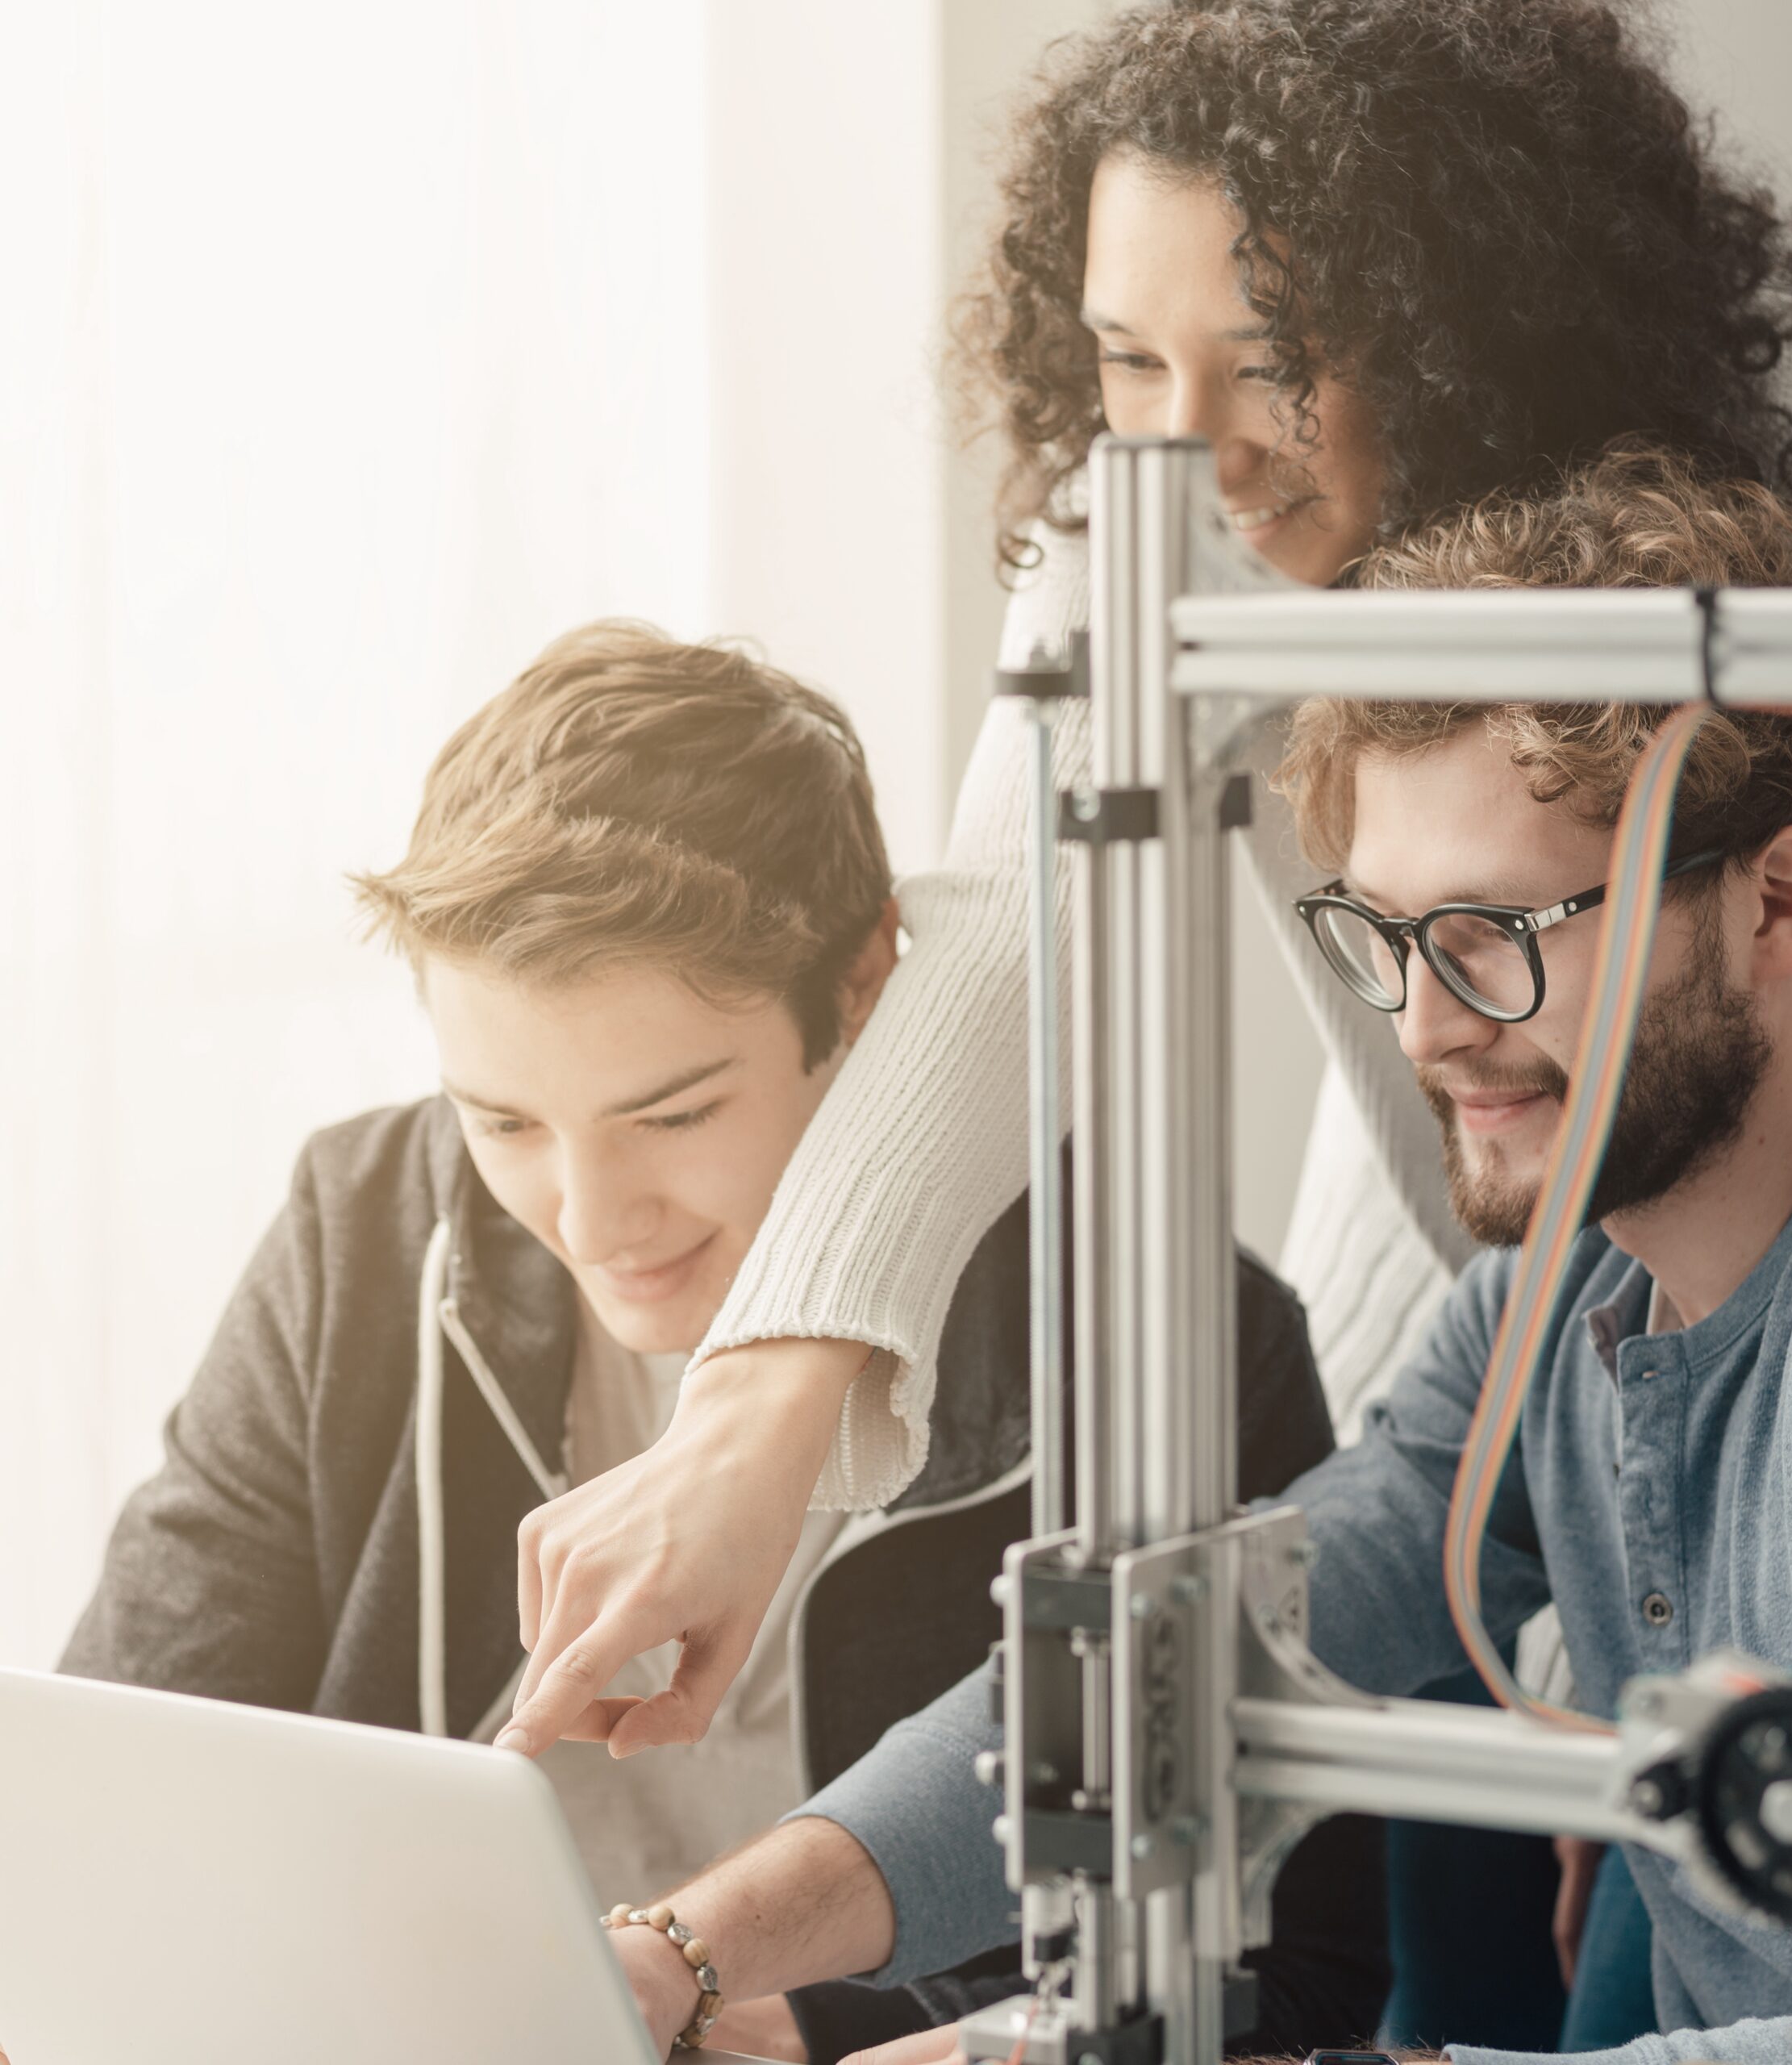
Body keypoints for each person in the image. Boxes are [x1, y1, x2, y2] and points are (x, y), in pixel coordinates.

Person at [495, 0, 1792, 1800]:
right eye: (1126, 360)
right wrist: (750, 1422)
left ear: (1479, 316)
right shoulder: (1147, 502)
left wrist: (1674, 1580)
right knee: (1347, 1825)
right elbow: (1012, 914)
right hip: (1456, 1275)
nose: (1191, 454)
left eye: (1275, 356)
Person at [594, 450, 1792, 2065]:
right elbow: (1192, 1676)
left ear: (1778, 900)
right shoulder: (1556, 1298)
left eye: (1497, 933)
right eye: (1386, 934)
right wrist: (684, 1947)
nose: (1426, 1025)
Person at [61, 622, 1386, 2061]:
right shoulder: (364, 1236)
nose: (587, 1217)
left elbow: (1293, 1970)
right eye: (503, 1121)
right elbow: (104, 1802)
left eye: (674, 1113)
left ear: (871, 987)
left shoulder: (1154, 1327)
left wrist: (818, 2031)